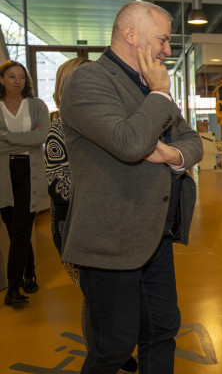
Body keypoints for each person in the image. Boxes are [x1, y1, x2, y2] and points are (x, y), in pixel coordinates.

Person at [59, 0, 203, 373]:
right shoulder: (89, 80)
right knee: (113, 346)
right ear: (130, 35)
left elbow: (193, 142)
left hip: (157, 236)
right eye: (163, 40)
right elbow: (129, 143)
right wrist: (158, 94)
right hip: (111, 241)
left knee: (162, 331)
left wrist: (173, 155)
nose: (168, 51)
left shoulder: (150, 85)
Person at [45, 57, 138, 373]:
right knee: (92, 295)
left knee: (107, 293)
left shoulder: (96, 120)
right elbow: (59, 184)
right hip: (73, 223)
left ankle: (113, 349)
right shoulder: (57, 127)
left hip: (104, 218)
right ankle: (99, 354)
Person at [0, 60, 49, 307]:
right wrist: (27, 140)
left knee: (20, 231)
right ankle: (30, 272)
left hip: (30, 173)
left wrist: (6, 137)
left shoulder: (37, 105)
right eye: (11, 76)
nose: (18, 81)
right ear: (1, 80)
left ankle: (13, 290)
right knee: (15, 231)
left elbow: (42, 136)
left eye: (21, 76)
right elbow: (34, 138)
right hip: (3, 175)